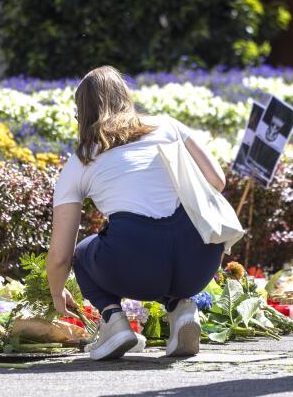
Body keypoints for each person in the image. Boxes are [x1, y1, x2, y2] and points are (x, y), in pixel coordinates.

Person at [47, 66, 226, 360]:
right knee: (166, 249)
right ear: (125, 97)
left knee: (83, 252)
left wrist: (56, 293)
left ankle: (113, 322)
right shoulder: (168, 126)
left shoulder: (81, 160)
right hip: (201, 258)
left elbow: (61, 256)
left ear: (83, 112)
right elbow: (217, 181)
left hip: (137, 263)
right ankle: (182, 309)